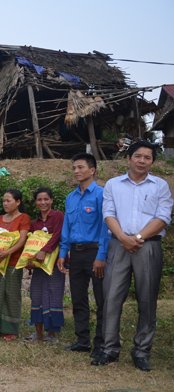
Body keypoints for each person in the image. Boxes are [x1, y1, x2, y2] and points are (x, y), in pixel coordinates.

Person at [92, 141, 173, 372]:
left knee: (147, 300)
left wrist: (136, 238)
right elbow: (108, 213)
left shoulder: (160, 186)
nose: (142, 161)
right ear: (128, 159)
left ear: (153, 162)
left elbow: (163, 217)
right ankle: (109, 349)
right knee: (111, 298)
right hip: (118, 244)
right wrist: (123, 238)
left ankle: (141, 352)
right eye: (138, 156)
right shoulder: (113, 184)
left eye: (147, 158)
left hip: (148, 246)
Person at [57, 153, 109, 358]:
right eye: (74, 168)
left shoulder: (102, 195)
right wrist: (63, 252)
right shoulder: (71, 197)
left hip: (95, 253)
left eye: (80, 167)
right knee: (78, 299)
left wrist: (102, 256)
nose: (76, 171)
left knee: (102, 300)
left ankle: (102, 343)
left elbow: (106, 228)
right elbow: (66, 228)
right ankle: (82, 340)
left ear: (92, 170)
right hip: (76, 255)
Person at [23, 187, 64, 345]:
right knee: (37, 295)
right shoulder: (35, 223)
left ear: (51, 200)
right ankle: (38, 333)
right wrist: (29, 262)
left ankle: (51, 335)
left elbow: (58, 235)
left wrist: (44, 251)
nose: (43, 202)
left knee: (53, 295)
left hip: (54, 264)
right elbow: (31, 244)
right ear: (36, 203)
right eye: (39, 200)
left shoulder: (58, 215)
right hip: (39, 266)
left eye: (46, 199)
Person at [0, 189, 30, 340]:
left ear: (18, 202)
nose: (5, 203)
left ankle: (11, 329)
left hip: (13, 262)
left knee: (11, 295)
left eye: (8, 201)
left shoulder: (23, 218)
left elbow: (22, 240)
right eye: (4, 201)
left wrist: (7, 252)